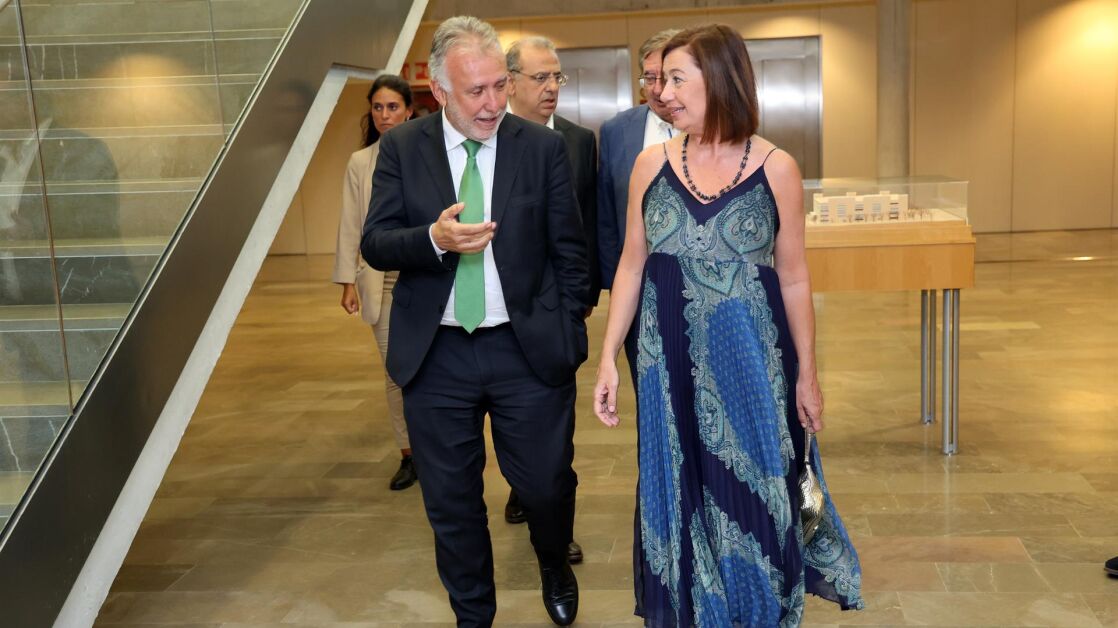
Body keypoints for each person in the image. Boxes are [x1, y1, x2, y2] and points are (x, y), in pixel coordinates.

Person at [592, 25, 864, 625]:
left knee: (757, 489)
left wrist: (808, 375)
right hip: (665, 368)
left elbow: (794, 278)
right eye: (660, 80)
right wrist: (608, 356)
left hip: (751, 365)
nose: (663, 92)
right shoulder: (649, 165)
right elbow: (631, 264)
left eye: (677, 79)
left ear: (718, 80)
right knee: (676, 488)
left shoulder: (777, 168)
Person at [361, 16, 589, 627]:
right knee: (452, 503)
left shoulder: (540, 148)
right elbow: (376, 242)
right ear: (439, 91)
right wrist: (433, 239)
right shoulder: (402, 148)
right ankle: (473, 615)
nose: (492, 104)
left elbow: (571, 252)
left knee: (544, 484)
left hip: (526, 349)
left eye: (498, 86)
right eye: (475, 91)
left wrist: (567, 328)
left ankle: (553, 560)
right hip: (436, 355)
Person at [503, 35, 596, 565]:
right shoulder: (489, 140)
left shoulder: (579, 141)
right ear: (510, 82)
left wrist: (581, 297)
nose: (551, 87)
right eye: (540, 77)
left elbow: (587, 222)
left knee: (557, 434)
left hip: (556, 310)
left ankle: (559, 529)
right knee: (513, 423)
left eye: (556, 76)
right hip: (499, 311)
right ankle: (523, 487)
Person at [332, 74, 417, 491]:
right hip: (380, 283)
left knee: (431, 372)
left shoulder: (429, 154)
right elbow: (351, 222)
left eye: (393, 107)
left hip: (424, 279)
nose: (385, 115)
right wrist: (347, 279)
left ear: (409, 111)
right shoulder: (360, 162)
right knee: (396, 373)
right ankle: (409, 454)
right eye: (378, 107)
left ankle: (439, 449)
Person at [597, 28, 680, 388]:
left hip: (701, 289)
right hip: (638, 292)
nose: (658, 89)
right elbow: (606, 216)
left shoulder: (712, 131)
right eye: (650, 78)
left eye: (669, 77)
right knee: (650, 392)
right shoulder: (616, 131)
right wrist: (612, 288)